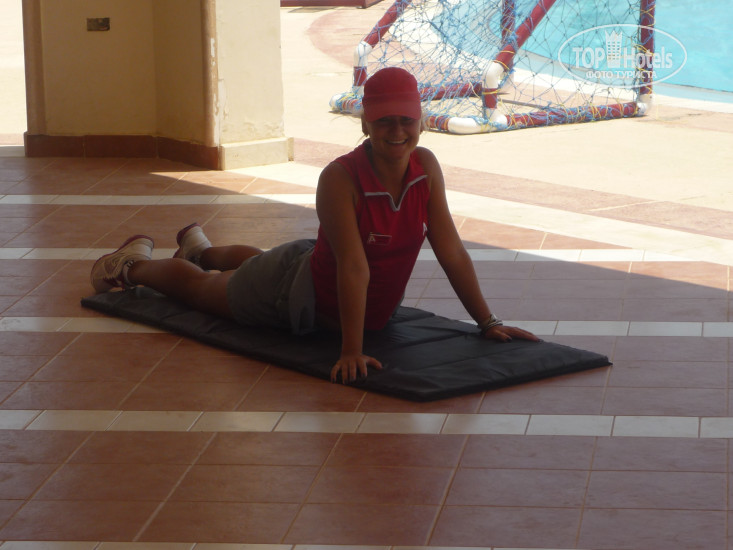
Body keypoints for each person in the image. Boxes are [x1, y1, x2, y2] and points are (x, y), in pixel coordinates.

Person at [90, 67, 539, 384]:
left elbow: (451, 249)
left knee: (261, 264)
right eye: (384, 121)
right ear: (365, 122)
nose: (397, 132)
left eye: (406, 120)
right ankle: (130, 265)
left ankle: (200, 251)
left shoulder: (425, 167)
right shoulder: (340, 178)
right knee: (203, 290)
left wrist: (487, 321)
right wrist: (351, 350)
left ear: (420, 121)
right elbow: (354, 267)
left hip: (313, 267)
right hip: (295, 296)